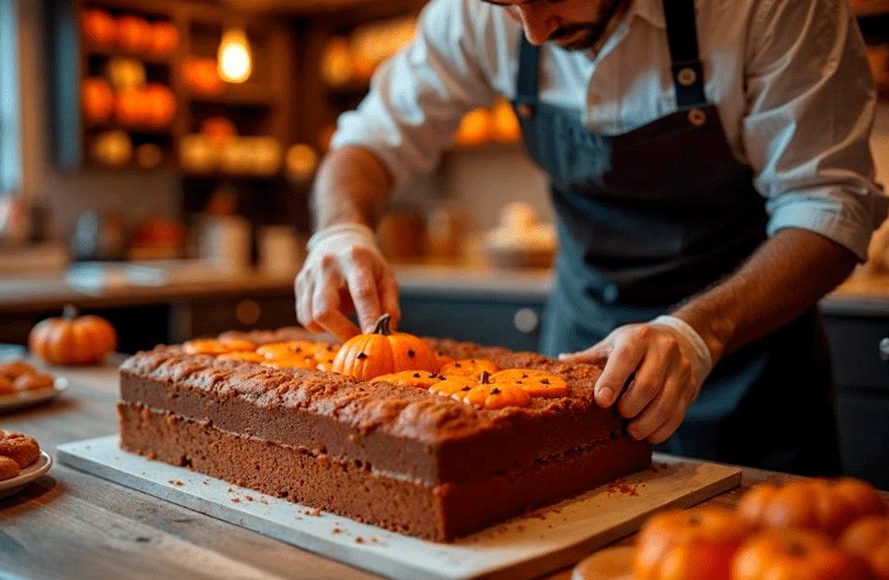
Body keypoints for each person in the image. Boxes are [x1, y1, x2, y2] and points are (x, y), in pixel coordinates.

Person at [294, 0, 888, 475]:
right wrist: (339, 228)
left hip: (750, 372)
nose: (533, 31)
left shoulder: (769, 9)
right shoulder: (474, 15)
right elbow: (367, 144)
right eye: (506, 6)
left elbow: (830, 204)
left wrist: (698, 333)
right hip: (581, 365)